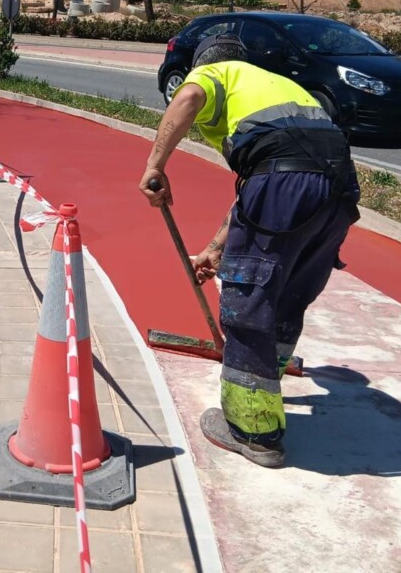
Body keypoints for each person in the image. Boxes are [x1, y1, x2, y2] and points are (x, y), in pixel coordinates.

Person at [139, 33, 360, 468]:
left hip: (283, 181)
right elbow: (262, 190)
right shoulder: (279, 87)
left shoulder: (215, 74)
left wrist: (154, 165)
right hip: (338, 192)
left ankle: (253, 432)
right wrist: (215, 249)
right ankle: (264, 386)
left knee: (249, 301)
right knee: (288, 295)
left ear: (207, 63)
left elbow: (189, 96)